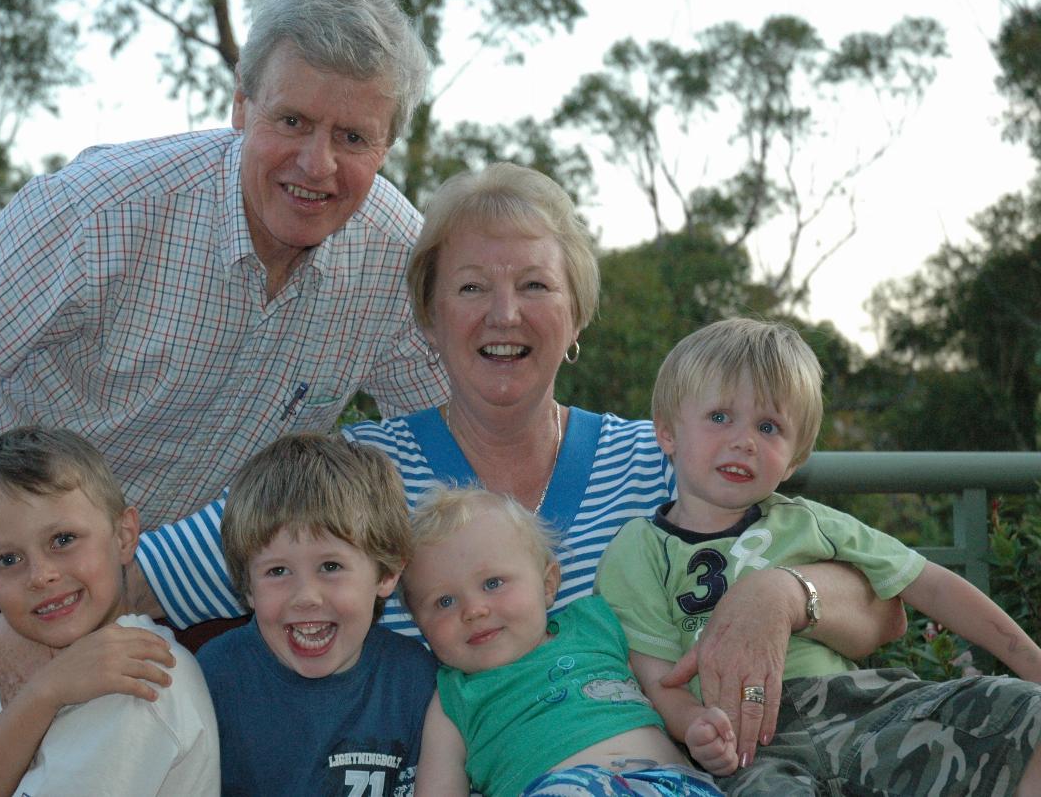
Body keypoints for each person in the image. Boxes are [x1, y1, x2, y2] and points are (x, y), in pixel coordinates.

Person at [135, 162, 905, 764]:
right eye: (472, 287)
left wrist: (781, 591)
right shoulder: (356, 476)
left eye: (535, 285)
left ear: (575, 315)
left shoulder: (671, 462)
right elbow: (152, 578)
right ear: (430, 320)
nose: (505, 314)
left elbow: (883, 609)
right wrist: (17, 637)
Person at [0, 0, 446, 627]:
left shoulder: (399, 260)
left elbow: (445, 433)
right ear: (241, 104)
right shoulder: (102, 211)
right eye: (293, 120)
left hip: (184, 570)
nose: (316, 163)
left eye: (352, 136)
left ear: (387, 145)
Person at [597, 317, 1041, 794]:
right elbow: (656, 674)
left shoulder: (812, 522)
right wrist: (695, 727)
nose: (744, 440)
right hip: (746, 745)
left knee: (1026, 712)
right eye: (720, 417)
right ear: (667, 433)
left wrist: (1031, 662)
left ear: (793, 459)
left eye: (769, 426)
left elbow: (930, 584)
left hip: (866, 714)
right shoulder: (637, 549)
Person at [0, 426, 219, 796]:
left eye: (63, 540)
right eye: (8, 559)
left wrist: (46, 690)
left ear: (124, 535)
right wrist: (43, 694)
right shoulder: (41, 667)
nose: (41, 575)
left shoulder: (139, 681)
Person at [403, 486, 727, 797]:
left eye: (492, 583)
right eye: (444, 602)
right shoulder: (452, 699)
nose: (473, 610)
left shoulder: (595, 625)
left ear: (547, 585)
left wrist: (694, 726)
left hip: (671, 783)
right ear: (420, 624)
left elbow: (661, 685)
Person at [195, 432, 435, 796]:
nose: (305, 597)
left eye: (330, 566)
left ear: (386, 573)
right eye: (277, 571)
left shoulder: (415, 681)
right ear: (247, 586)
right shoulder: (214, 678)